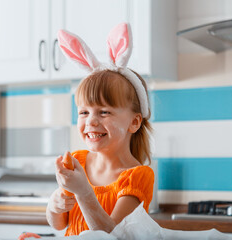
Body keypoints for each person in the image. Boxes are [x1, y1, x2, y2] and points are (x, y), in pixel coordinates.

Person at [46, 23, 154, 236]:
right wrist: (54, 205)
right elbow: (58, 224)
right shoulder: (78, 162)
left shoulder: (137, 176)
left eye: (104, 112)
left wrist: (84, 192)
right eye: (84, 112)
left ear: (134, 122)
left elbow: (113, 236)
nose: (91, 122)